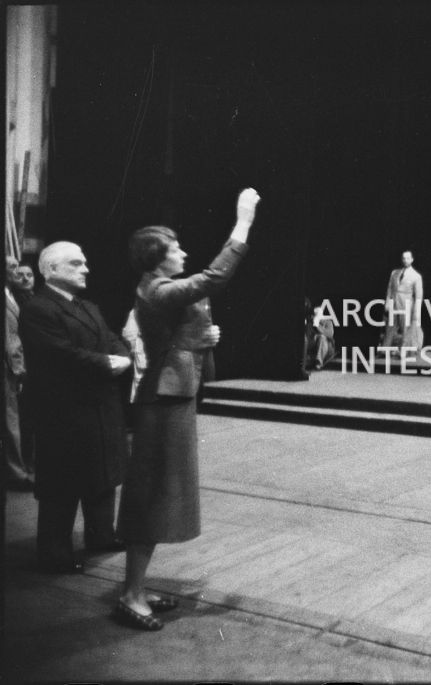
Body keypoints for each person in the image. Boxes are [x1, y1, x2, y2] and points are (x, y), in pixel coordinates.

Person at [116, 187, 260, 630]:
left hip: (171, 399)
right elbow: (212, 280)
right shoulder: (158, 289)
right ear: (158, 258)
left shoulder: (158, 288)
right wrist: (243, 223)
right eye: (176, 249)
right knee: (151, 496)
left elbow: (184, 324)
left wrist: (200, 338)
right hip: (163, 403)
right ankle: (130, 594)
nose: (184, 253)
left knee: (158, 495)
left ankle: (135, 587)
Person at [19, 242, 131, 574]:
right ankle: (54, 554)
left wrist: (121, 355)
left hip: (98, 406)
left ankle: (101, 535)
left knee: (103, 474)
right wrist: (107, 363)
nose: (86, 269)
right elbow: (58, 354)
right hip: (64, 412)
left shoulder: (88, 307)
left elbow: (111, 337)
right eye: (76, 263)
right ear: (50, 270)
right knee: (61, 486)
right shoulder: (39, 308)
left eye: (84, 262)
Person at [5, 257, 33, 491]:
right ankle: (16, 474)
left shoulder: (10, 294)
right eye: (12, 267)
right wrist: (19, 370)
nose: (17, 271)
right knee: (10, 419)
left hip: (12, 365)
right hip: (8, 368)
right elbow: (10, 340)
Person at [380, 250, 423, 353]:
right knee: (389, 327)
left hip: (406, 304)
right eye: (403, 258)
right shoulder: (395, 273)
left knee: (405, 328)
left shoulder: (416, 276)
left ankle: (404, 350)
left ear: (412, 260)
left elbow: (418, 296)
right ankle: (385, 349)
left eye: (408, 258)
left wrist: (417, 312)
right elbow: (390, 289)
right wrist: (387, 303)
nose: (405, 260)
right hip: (394, 302)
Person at [307, 303, 336, 370]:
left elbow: (330, 334)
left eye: (318, 314)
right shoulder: (310, 323)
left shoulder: (328, 322)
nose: (316, 315)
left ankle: (318, 362)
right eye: (315, 314)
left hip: (326, 346)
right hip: (312, 343)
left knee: (322, 337)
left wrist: (317, 326)